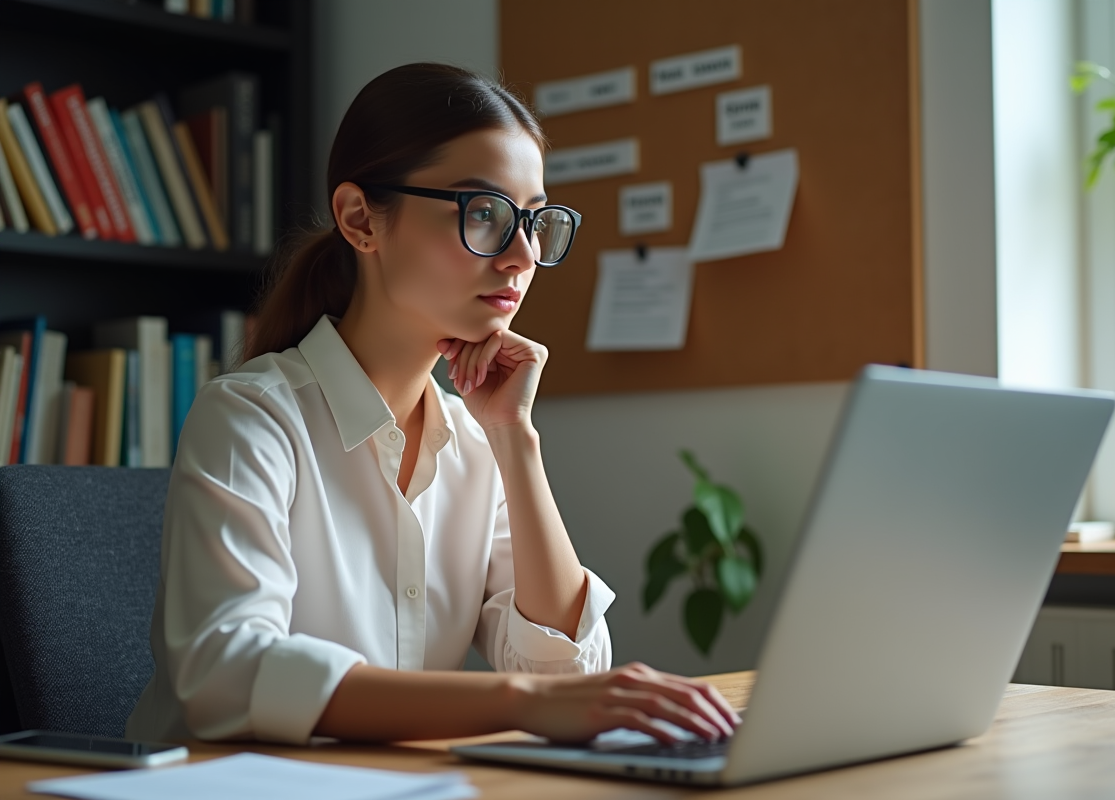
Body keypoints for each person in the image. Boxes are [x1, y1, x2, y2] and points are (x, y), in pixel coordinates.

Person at [125, 63, 740, 747]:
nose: (521, 255)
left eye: (534, 221)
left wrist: (515, 439)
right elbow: (226, 673)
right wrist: (519, 701)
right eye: (483, 214)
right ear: (361, 220)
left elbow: (565, 665)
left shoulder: (474, 443)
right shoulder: (252, 417)